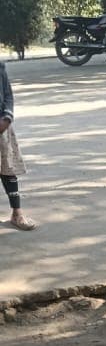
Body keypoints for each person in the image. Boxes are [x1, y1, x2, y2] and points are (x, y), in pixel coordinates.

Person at [0, 60, 37, 231]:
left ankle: (17, 213)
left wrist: (7, 118)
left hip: (2, 128)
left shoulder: (0, 68)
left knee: (8, 170)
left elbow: (8, 95)